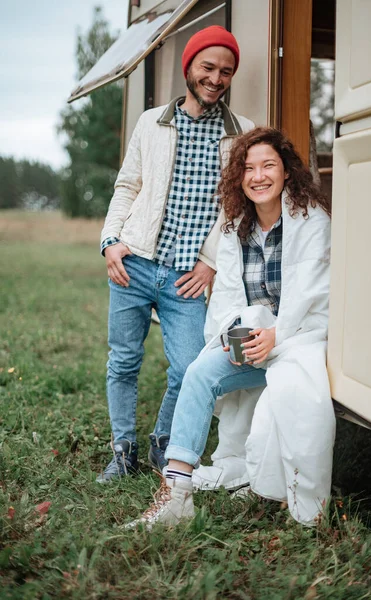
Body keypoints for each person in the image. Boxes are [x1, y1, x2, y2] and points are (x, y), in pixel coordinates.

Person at [125, 127, 335, 527]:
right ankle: (176, 494)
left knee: (292, 394)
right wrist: (236, 332)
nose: (259, 176)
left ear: (287, 171)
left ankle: (295, 497)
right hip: (255, 339)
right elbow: (225, 297)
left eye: (268, 165)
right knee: (199, 373)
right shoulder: (234, 226)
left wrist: (278, 335)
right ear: (239, 177)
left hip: (302, 340)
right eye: (249, 168)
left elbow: (317, 296)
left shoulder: (312, 222)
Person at [97, 26, 254, 483]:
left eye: (226, 71)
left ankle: (162, 441)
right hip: (135, 263)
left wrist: (209, 262)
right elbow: (127, 187)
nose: (216, 78)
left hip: (187, 277)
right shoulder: (151, 122)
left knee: (188, 368)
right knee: (123, 360)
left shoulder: (240, 133)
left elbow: (236, 207)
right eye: (207, 67)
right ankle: (122, 449)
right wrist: (111, 242)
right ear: (188, 68)